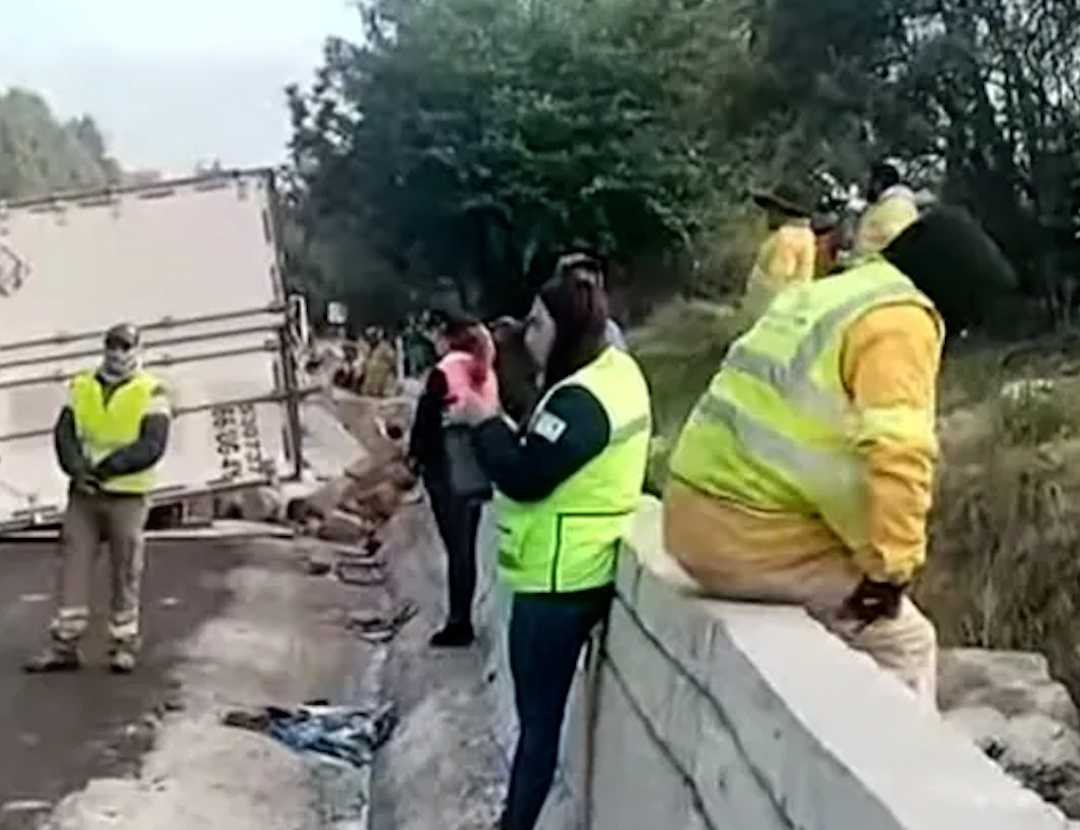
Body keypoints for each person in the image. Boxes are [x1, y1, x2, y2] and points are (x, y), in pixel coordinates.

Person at [662, 206, 1013, 706]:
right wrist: (891, 571)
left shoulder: (838, 292)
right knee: (905, 642)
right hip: (747, 535)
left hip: (694, 512)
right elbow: (900, 453)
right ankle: (897, 769)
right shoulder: (903, 321)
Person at [450, 262, 652, 830]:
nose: (530, 337)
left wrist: (485, 421)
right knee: (540, 725)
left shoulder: (581, 402)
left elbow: (525, 474)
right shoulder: (616, 376)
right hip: (577, 569)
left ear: (566, 329)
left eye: (538, 326)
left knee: (536, 728)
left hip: (558, 582)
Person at [27, 323, 173, 675]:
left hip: (127, 494)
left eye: (125, 347)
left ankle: (123, 645)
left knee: (125, 570)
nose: (118, 353)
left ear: (137, 349)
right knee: (72, 566)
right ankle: (65, 645)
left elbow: (152, 446)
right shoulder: (81, 386)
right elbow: (64, 435)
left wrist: (107, 469)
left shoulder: (151, 390)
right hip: (85, 495)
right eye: (113, 346)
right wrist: (78, 470)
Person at [407, 317, 496, 647]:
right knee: (466, 549)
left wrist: (415, 459)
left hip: (447, 468)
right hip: (475, 468)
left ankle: (458, 623)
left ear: (448, 338)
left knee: (456, 549)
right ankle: (462, 617)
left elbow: (426, 422)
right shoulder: (483, 370)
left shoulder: (444, 371)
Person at [742, 186, 818, 321]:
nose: (768, 215)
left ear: (783, 211)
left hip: (771, 318)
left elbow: (779, 280)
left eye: (772, 210)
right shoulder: (805, 235)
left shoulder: (787, 237)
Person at [851, 158, 921, 265]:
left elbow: (896, 244)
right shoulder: (880, 207)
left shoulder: (898, 207)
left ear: (878, 183)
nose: (864, 186)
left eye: (867, 181)